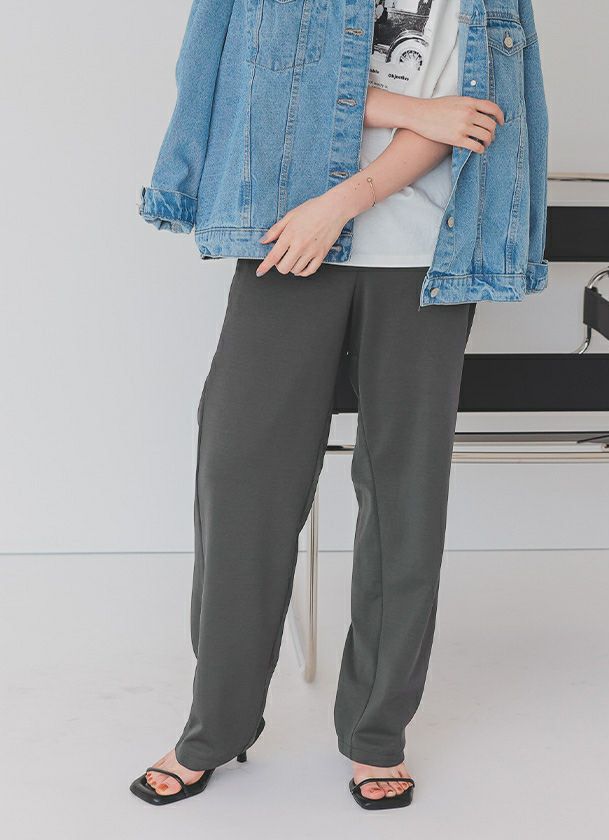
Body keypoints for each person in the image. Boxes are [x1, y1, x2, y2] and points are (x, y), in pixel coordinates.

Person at [131, 0, 548, 811]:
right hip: (285, 237)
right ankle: (214, 726)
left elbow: (468, 117)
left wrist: (343, 200)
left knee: (403, 500)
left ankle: (375, 735)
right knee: (240, 485)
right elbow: (250, 83)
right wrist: (410, 109)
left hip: (424, 258)